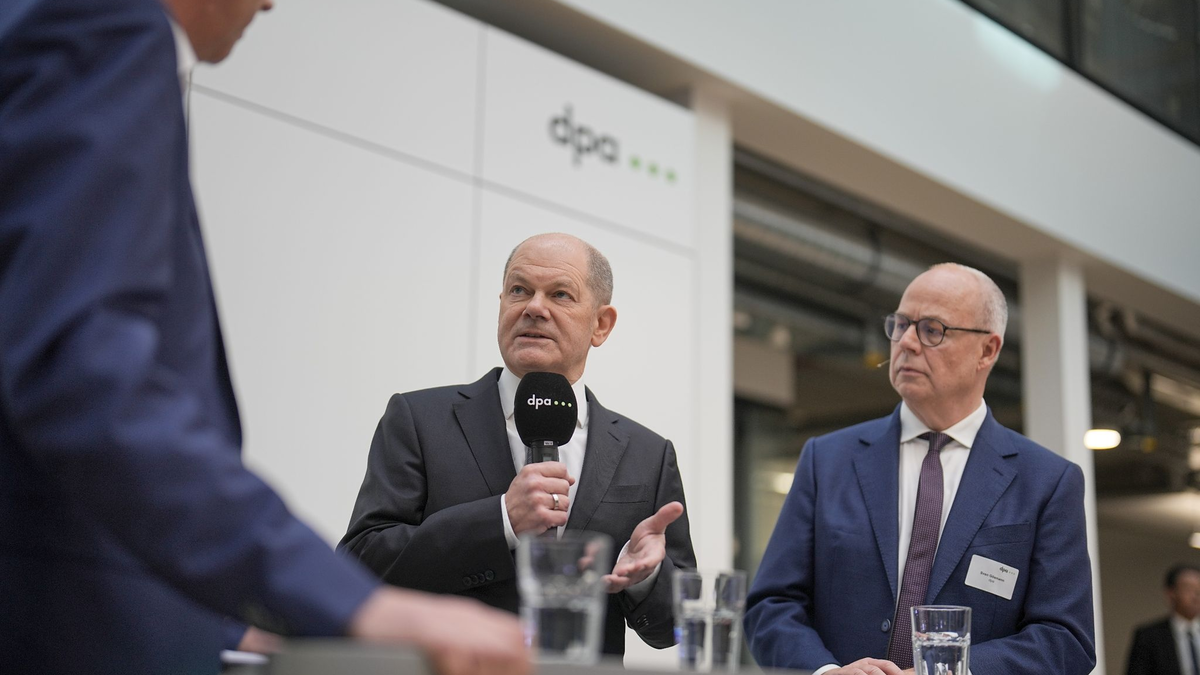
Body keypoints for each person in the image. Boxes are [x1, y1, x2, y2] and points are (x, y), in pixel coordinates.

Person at [0, 0, 528, 674]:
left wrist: (231, 624)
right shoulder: (109, 27)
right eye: (520, 288)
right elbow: (83, 377)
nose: (270, 2)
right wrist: (356, 604)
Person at [340, 232, 697, 657]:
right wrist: (500, 520)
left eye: (560, 294)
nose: (534, 307)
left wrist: (646, 579)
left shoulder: (648, 454)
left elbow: (678, 625)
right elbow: (360, 565)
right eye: (519, 290)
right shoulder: (419, 419)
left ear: (600, 324)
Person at [744, 263, 1096, 675]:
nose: (907, 342)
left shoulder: (1047, 482)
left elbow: (1065, 639)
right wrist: (826, 672)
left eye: (932, 330)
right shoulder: (827, 459)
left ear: (987, 350)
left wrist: (948, 671)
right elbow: (771, 606)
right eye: (901, 325)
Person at [1126, 563, 1200, 675]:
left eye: (1198, 589)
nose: (1196, 596)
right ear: (1171, 593)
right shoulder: (1149, 636)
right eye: (1189, 589)